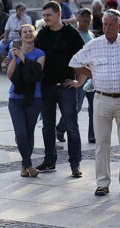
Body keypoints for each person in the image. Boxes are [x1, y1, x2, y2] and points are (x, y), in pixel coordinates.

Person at [70, 9, 120, 196]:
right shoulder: (94, 45)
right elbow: (74, 62)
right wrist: (92, 74)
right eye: (104, 24)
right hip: (101, 98)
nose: (107, 28)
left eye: (111, 25)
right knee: (101, 143)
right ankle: (102, 183)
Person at [34, 1, 85, 178]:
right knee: (47, 127)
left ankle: (75, 164)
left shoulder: (72, 34)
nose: (45, 18)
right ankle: (49, 161)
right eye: (44, 15)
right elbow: (34, 57)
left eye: (48, 15)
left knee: (71, 127)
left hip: (66, 87)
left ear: (58, 14)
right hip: (47, 86)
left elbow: (84, 59)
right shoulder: (41, 35)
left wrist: (79, 82)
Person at [6, 24, 45, 177]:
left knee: (29, 132)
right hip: (15, 98)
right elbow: (9, 75)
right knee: (21, 133)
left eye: (31, 31)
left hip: (34, 97)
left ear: (34, 34)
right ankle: (29, 165)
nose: (28, 34)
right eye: (25, 32)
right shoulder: (13, 52)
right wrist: (15, 58)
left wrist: (23, 57)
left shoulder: (40, 53)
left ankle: (24, 166)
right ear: (20, 35)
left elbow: (37, 73)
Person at [75, 8, 95, 143]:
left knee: (94, 106)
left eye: (88, 16)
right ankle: (60, 129)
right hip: (79, 74)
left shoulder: (92, 35)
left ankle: (92, 135)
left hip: (92, 75)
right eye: (83, 16)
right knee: (76, 106)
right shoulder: (73, 34)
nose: (86, 19)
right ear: (77, 18)